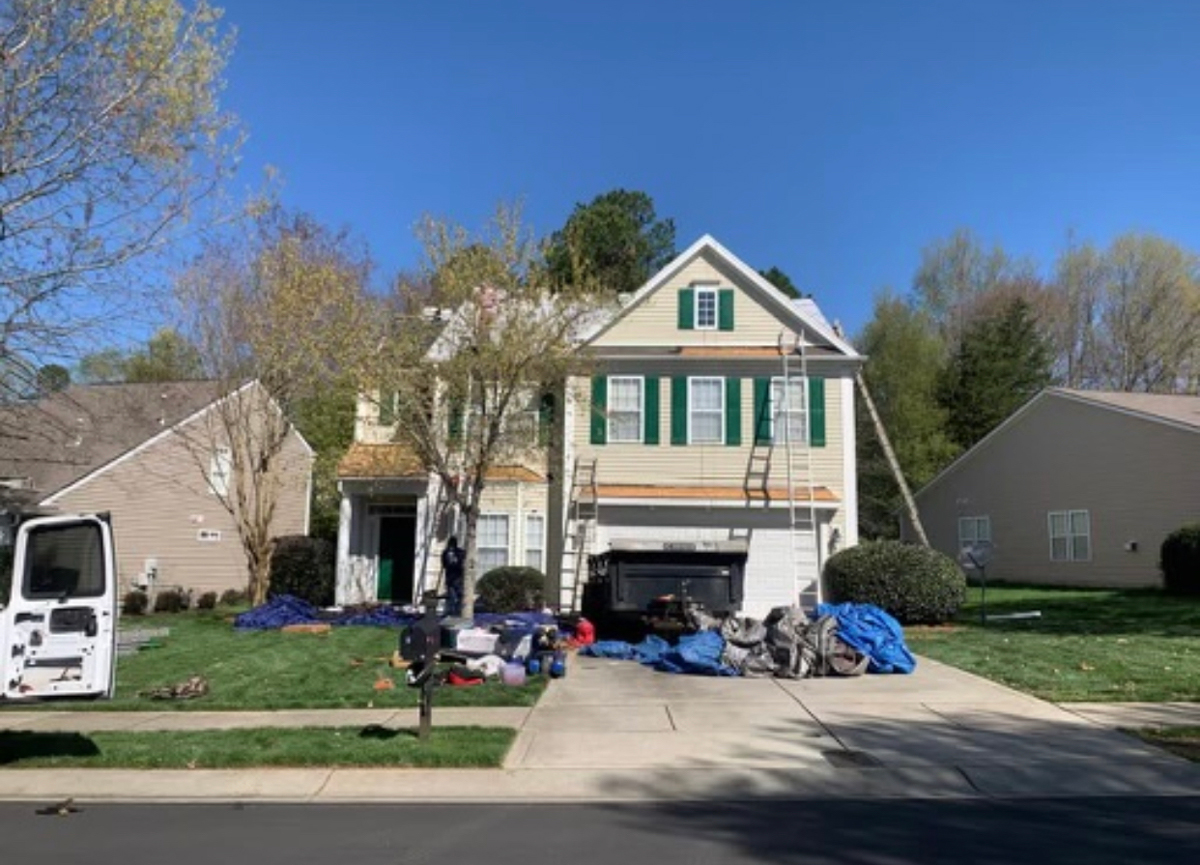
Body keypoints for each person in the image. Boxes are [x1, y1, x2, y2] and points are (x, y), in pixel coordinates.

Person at [441, 536, 465, 617]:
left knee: (453, 597)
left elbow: (444, 565)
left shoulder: (445, 552)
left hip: (451, 577)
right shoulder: (460, 552)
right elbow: (463, 561)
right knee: (458, 596)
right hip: (457, 577)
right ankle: (457, 612)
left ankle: (453, 613)